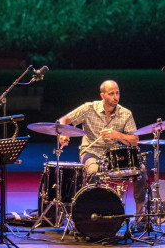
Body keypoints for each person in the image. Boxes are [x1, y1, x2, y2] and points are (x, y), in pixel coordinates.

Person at [57, 80, 147, 215]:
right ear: (102, 95)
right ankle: (92, 212)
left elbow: (135, 141)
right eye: (111, 94)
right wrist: (63, 134)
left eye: (117, 93)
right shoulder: (88, 108)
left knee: (141, 171)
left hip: (113, 156)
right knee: (94, 171)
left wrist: (117, 135)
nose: (116, 97)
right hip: (91, 151)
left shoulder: (126, 113)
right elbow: (63, 120)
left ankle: (140, 213)